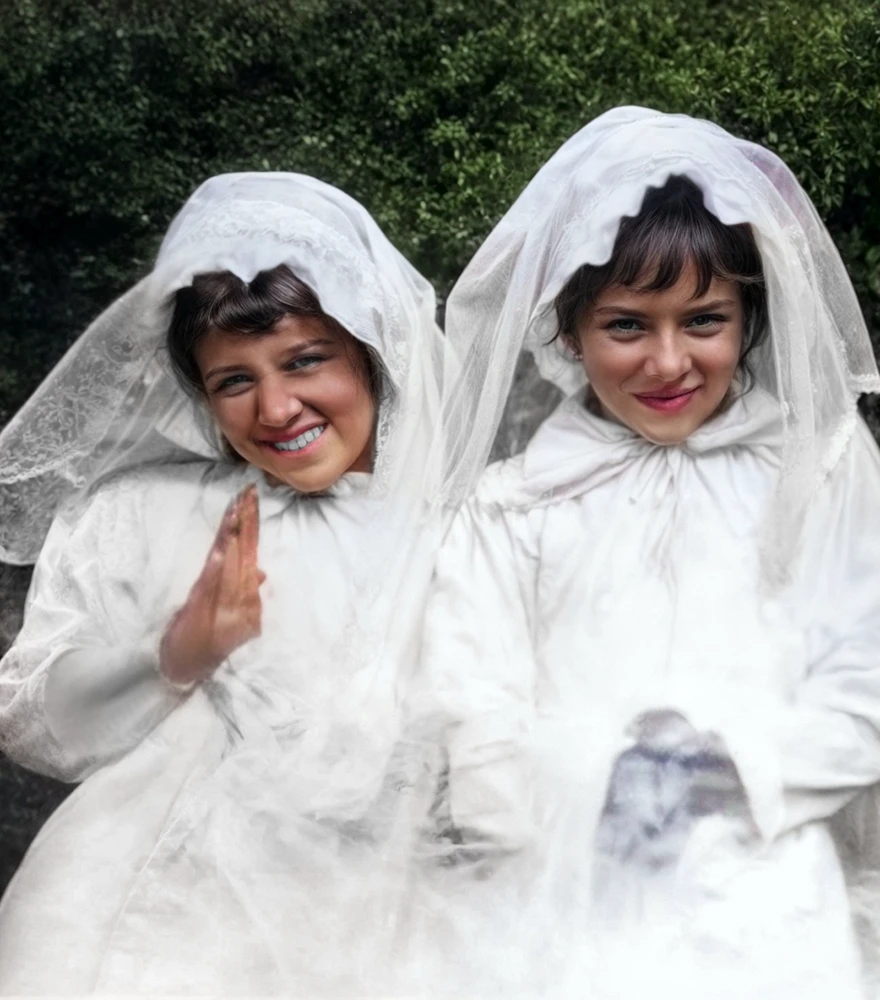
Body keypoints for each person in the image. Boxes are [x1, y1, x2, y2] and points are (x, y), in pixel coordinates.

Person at [419, 108, 880, 999]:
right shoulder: (509, 508)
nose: (669, 362)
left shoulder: (820, 481)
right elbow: (470, 694)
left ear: (750, 316)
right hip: (559, 905)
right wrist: (576, 803)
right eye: (628, 325)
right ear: (567, 330)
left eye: (703, 319)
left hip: (770, 906)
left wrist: (730, 770)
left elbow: (865, 671)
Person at [0, 173, 495, 994]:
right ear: (200, 396)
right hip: (138, 934)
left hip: (383, 936)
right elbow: (28, 723)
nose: (275, 407)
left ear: (373, 353)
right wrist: (171, 656)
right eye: (234, 380)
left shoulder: (474, 535)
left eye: (306, 361)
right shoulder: (140, 517)